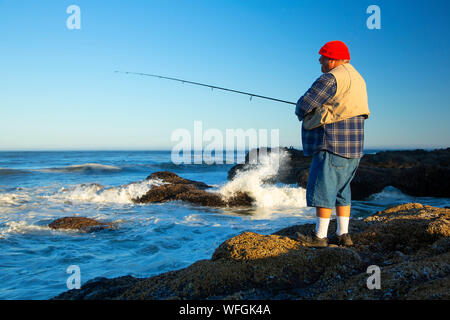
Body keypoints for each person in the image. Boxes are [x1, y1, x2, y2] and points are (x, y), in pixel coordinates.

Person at [295, 40, 370, 247]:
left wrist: (299, 108)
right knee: (342, 191)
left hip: (331, 143)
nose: (320, 60)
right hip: (354, 147)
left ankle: (320, 237)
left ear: (333, 59)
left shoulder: (330, 78)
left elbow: (306, 105)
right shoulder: (358, 78)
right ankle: (343, 235)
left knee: (323, 189)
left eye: (323, 56)